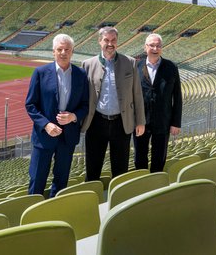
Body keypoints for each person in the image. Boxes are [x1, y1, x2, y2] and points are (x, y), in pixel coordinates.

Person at [24, 34, 89, 197]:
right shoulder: (40, 72)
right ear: (53, 51)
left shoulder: (81, 75)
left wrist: (73, 116)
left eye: (67, 49)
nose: (63, 52)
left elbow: (85, 105)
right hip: (44, 136)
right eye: (59, 49)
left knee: (61, 180)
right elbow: (30, 104)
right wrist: (46, 124)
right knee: (37, 178)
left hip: (68, 137)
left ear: (72, 51)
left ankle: (55, 210)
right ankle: (33, 212)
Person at [81, 27, 145, 181]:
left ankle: (118, 201)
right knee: (93, 168)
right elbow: (82, 97)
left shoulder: (130, 62)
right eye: (106, 40)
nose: (110, 44)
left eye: (113, 40)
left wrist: (140, 121)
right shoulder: (87, 64)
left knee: (120, 169)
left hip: (121, 124)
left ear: (117, 42)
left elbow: (137, 94)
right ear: (99, 41)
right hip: (96, 123)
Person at [134, 33, 182, 173]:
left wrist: (176, 122)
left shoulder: (171, 67)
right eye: (152, 45)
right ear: (145, 47)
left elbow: (177, 96)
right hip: (141, 121)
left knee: (159, 157)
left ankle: (156, 184)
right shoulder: (136, 66)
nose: (155, 48)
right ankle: (142, 183)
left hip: (163, 121)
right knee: (139, 157)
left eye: (158, 46)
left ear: (162, 48)